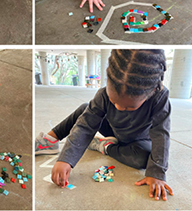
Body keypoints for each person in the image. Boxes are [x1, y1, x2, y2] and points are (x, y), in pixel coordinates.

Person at [35, 49, 174, 201]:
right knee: (84, 110)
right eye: (114, 102)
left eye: (129, 107)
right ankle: (49, 140)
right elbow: (85, 126)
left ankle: (105, 147)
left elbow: (161, 134)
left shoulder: (160, 98)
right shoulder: (102, 95)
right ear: (108, 80)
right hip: (112, 128)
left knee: (143, 159)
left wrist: (157, 173)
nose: (120, 108)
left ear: (152, 91)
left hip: (138, 140)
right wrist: (66, 159)